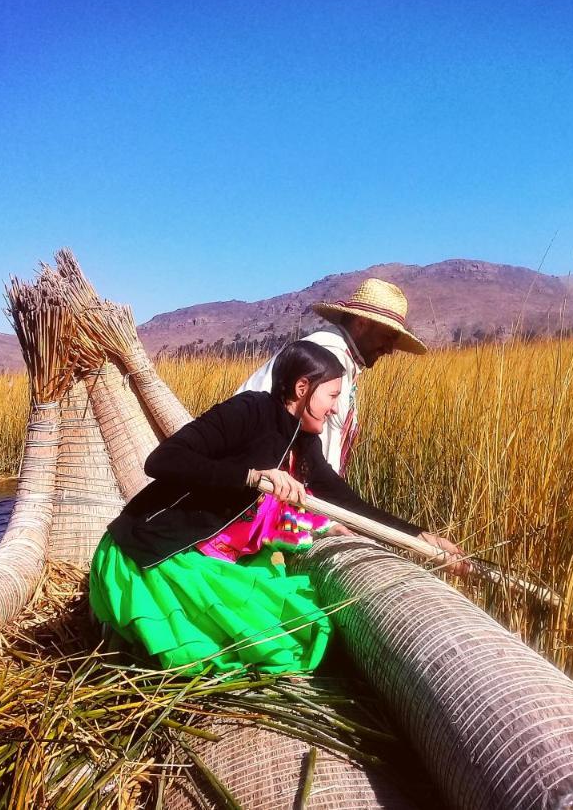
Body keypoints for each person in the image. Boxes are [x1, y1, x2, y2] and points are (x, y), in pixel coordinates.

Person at [89, 340, 466, 675]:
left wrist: (419, 537)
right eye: (332, 396)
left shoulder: (301, 441)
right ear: (303, 388)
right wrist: (251, 476)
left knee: (300, 625)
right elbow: (162, 461)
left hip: (201, 555)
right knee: (279, 644)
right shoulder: (248, 412)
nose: (335, 409)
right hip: (152, 553)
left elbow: (345, 501)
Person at [238, 277, 427, 476]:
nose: (389, 349)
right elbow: (321, 462)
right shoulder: (329, 360)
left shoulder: (338, 355)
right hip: (259, 487)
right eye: (387, 336)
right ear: (361, 324)